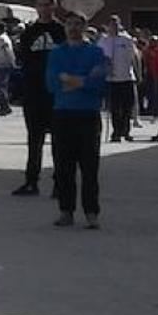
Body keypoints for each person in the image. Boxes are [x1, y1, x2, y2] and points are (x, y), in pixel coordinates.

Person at [47, 13, 109, 229]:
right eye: (69, 24)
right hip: (63, 113)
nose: (73, 28)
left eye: (77, 24)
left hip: (87, 114)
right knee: (64, 166)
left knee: (89, 166)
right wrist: (83, 79)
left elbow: (99, 84)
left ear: (84, 27)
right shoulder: (56, 53)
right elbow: (52, 84)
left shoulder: (95, 52)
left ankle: (92, 212)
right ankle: (66, 211)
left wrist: (69, 79)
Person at [10, 0, 69, 194]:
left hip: (56, 93)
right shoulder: (29, 32)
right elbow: (22, 59)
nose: (44, 8)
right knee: (34, 140)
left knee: (59, 141)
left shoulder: (62, 31)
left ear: (54, 6)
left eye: (47, 5)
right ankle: (31, 181)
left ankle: (59, 183)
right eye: (40, 5)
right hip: (33, 92)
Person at [99, 16, 140, 143]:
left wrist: (138, 73)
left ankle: (126, 131)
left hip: (127, 77)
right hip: (111, 79)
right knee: (115, 108)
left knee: (127, 107)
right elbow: (99, 58)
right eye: (111, 25)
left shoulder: (126, 39)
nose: (114, 27)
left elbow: (135, 57)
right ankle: (116, 132)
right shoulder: (103, 41)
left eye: (116, 25)